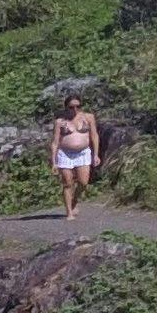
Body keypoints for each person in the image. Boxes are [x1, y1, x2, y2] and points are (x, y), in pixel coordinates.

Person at [47, 91, 101, 219]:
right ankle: (69, 213)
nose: (75, 109)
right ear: (66, 107)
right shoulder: (60, 121)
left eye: (78, 106)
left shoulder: (88, 117)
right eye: (71, 107)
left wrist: (96, 154)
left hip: (83, 153)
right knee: (67, 182)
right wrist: (53, 161)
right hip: (65, 154)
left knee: (83, 182)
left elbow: (94, 136)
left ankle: (74, 200)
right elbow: (55, 142)